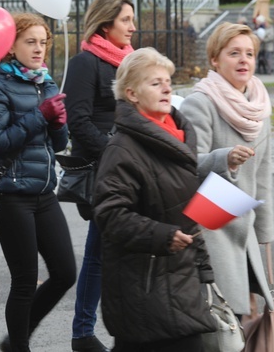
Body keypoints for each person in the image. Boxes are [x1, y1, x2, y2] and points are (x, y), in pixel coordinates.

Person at [93, 47, 216, 352]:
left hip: (179, 282)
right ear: (132, 94)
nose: (166, 88)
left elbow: (187, 212)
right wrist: (161, 235)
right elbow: (110, 215)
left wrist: (204, 269)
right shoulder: (122, 149)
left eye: (167, 81)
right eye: (155, 83)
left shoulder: (179, 137)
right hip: (145, 287)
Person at [0, 13, 76, 352]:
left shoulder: (45, 81)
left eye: (43, 42)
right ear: (10, 45)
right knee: (23, 281)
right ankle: (19, 346)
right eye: (30, 41)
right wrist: (41, 116)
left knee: (64, 272)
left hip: (44, 191)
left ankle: (13, 341)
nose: (38, 48)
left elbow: (58, 144)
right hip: (10, 193)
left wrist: (59, 122)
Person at [181, 23, 274, 321]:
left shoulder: (259, 108)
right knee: (222, 317)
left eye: (249, 53)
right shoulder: (201, 103)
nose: (243, 60)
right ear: (214, 60)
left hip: (243, 227)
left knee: (245, 316)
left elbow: (263, 176)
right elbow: (186, 165)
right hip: (212, 226)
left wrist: (265, 233)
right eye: (234, 53)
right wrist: (225, 159)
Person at [63, 0, 136, 352]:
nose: (133, 27)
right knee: (100, 250)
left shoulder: (130, 63)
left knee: (112, 248)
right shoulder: (84, 63)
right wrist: (115, 153)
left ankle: (100, 330)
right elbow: (77, 121)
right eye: (126, 20)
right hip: (102, 169)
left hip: (132, 168)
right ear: (106, 23)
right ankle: (83, 332)